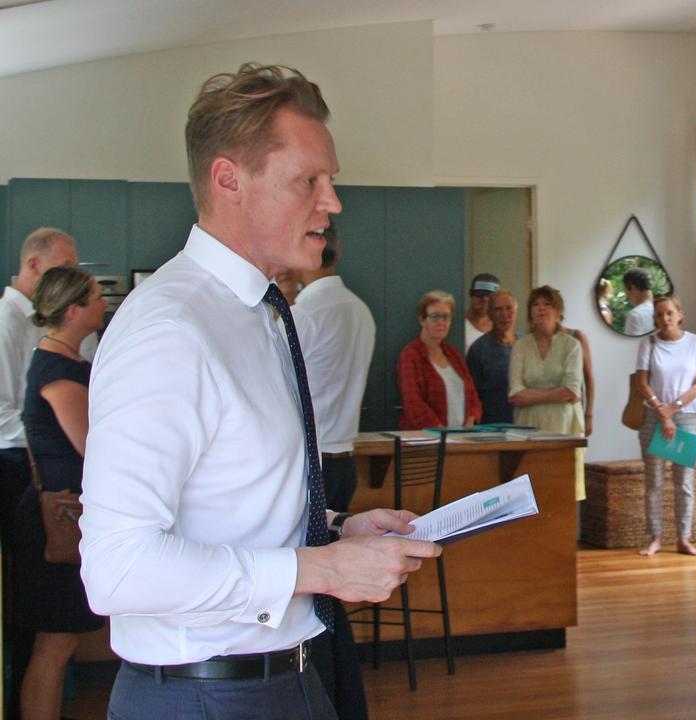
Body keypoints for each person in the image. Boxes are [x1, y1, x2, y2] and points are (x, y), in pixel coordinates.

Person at [79, 63, 440, 719]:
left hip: (286, 677)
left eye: (330, 180)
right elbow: (118, 569)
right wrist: (323, 571)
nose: (333, 202)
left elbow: (231, 500)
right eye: (309, 180)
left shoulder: (260, 313)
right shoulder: (171, 329)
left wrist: (335, 530)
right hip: (203, 694)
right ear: (229, 180)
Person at [288, 222, 374, 717]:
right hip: (344, 460)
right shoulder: (359, 310)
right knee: (327, 592)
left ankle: (324, 696)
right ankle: (343, 699)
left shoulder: (305, 314)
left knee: (314, 593)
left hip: (311, 465)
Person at [13, 266, 106, 720]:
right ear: (74, 310)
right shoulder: (57, 369)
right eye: (95, 297)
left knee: (60, 640)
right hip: (59, 514)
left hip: (67, 507)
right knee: (54, 642)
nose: (103, 302)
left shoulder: (64, 361)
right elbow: (92, 445)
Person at [0, 228, 89, 554]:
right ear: (34, 265)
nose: (72, 276)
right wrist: (50, 435)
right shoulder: (5, 322)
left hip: (46, 460)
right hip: (17, 464)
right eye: (65, 266)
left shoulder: (51, 320)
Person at [634, 295, 696, 557]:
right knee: (653, 481)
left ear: (679, 314)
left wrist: (673, 408)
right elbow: (642, 383)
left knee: (685, 482)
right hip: (653, 417)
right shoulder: (649, 342)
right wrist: (662, 412)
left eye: (668, 313)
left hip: (687, 417)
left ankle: (683, 538)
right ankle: (655, 538)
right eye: (658, 315)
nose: (664, 319)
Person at [509, 286, 586, 499]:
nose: (541, 309)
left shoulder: (572, 345)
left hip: (565, 428)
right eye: (535, 305)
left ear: (559, 311)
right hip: (529, 428)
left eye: (547, 304)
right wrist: (555, 393)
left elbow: (572, 390)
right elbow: (515, 394)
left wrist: (531, 395)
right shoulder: (521, 346)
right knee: (529, 493)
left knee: (563, 493)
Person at [398, 290, 482, 429]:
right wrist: (439, 432)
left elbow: (473, 397)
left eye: (446, 317)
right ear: (422, 320)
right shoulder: (411, 355)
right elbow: (413, 403)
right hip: (426, 440)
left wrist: (470, 423)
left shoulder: (454, 354)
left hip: (461, 439)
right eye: (435, 316)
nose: (441, 322)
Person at [466, 290, 519, 424]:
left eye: (509, 308)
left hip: (527, 425)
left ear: (516, 312)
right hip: (492, 429)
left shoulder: (528, 344)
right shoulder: (478, 350)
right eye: (498, 309)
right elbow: (471, 397)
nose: (504, 315)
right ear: (489, 314)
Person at [463, 272, 500, 351]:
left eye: (490, 297)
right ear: (471, 293)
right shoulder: (458, 325)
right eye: (480, 295)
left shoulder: (500, 327)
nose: (485, 300)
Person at [622, 268, 655, 335]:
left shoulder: (635, 315)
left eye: (626, 292)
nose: (627, 296)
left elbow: (630, 344)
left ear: (633, 288)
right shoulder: (662, 309)